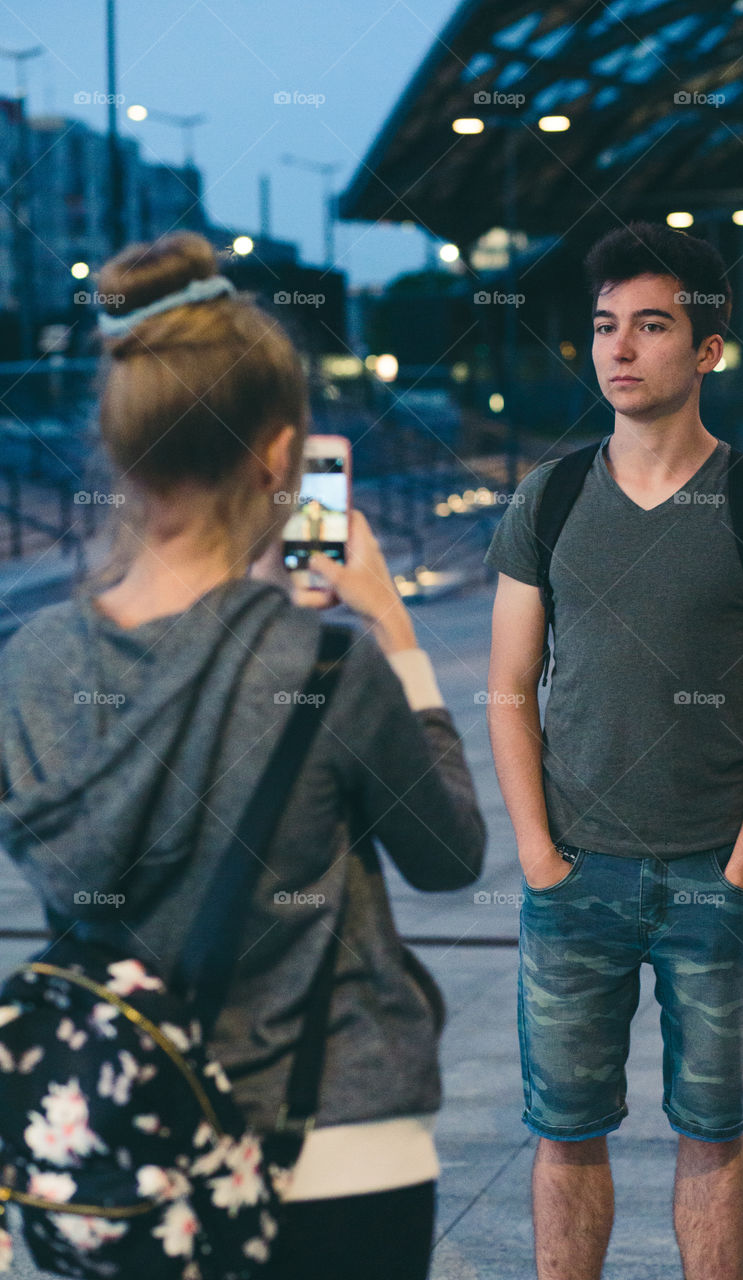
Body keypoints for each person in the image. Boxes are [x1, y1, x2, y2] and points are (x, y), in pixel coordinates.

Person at [0, 231, 486, 1280]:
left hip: (124, 1156)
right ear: (277, 456)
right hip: (338, 1150)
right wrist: (394, 635)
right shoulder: (323, 662)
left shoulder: (31, 665)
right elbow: (449, 852)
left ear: (121, 446)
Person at [484, 221, 743, 1280]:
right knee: (562, 1132)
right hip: (575, 874)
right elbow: (506, 688)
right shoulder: (548, 499)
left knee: (711, 1134)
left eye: (649, 325)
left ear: (708, 349)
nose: (618, 349)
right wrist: (542, 859)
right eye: (602, 328)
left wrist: (741, 866)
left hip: (706, 879)